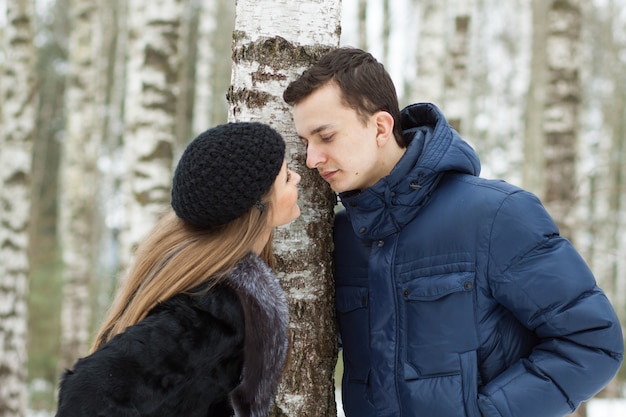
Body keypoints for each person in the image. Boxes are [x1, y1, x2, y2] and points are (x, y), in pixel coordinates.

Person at [283, 47, 624, 417]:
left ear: (380, 127)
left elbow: (592, 341)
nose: (312, 159)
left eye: (326, 136)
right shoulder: (341, 238)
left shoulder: (496, 215)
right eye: (305, 143)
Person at [55, 122, 301, 417]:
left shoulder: (210, 285)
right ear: (258, 208)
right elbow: (91, 390)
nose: (297, 177)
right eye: (286, 177)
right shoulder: (215, 309)